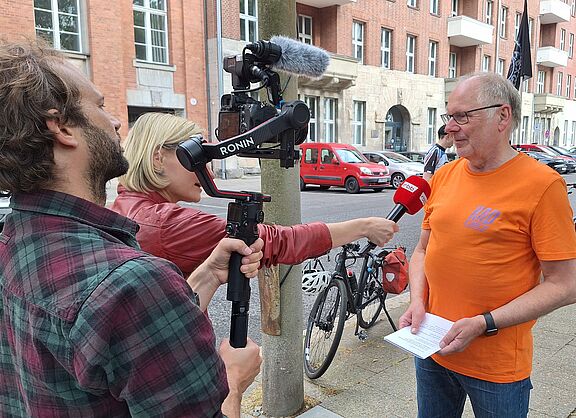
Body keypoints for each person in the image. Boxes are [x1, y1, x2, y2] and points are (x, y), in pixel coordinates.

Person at [0, 41, 264, 417]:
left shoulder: (11, 242)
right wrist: (233, 382)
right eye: (101, 106)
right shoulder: (132, 283)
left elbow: (107, 345)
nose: (115, 122)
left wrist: (206, 275)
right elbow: (123, 303)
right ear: (61, 127)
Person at [399, 72, 576, 417]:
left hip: (496, 369)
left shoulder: (543, 185)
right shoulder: (446, 175)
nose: (450, 127)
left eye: (462, 116)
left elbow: (566, 285)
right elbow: (422, 250)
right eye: (448, 116)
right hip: (432, 350)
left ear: (503, 116)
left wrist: (484, 322)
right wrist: (416, 300)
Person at [111, 112, 399, 276]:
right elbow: (281, 242)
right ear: (158, 158)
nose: (207, 173)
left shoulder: (125, 205)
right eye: (195, 160)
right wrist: (364, 227)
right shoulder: (167, 224)